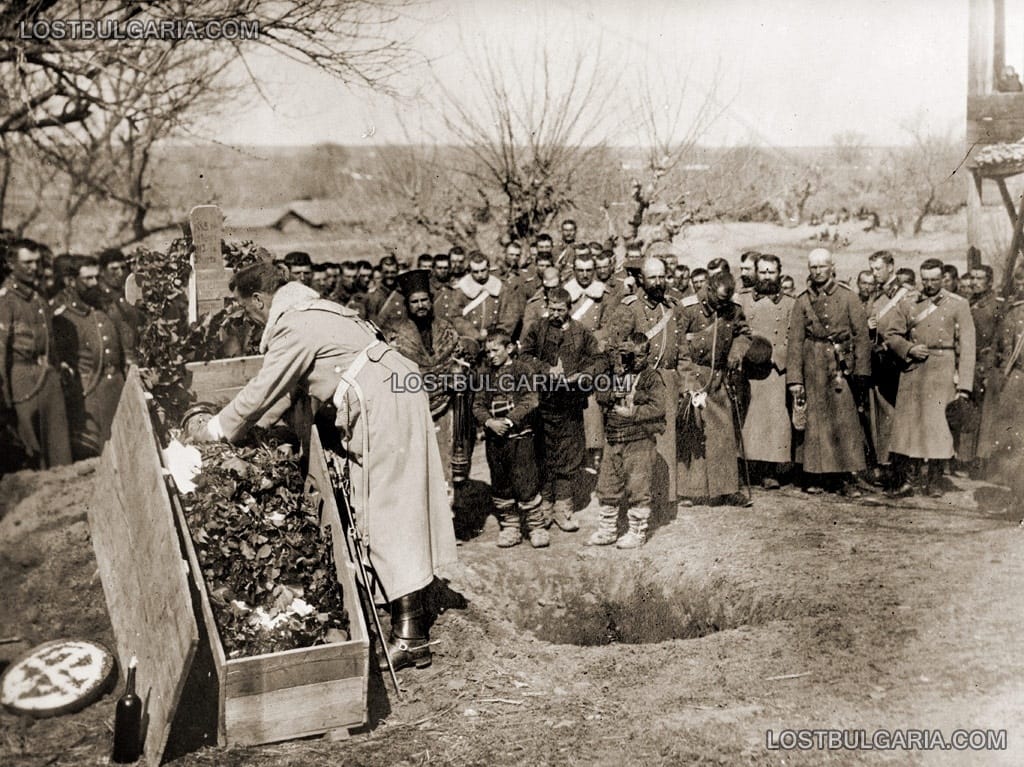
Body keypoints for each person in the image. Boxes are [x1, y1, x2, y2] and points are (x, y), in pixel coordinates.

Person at [192, 262, 457, 671]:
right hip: (394, 389)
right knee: (395, 502)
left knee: (389, 508)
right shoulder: (319, 311)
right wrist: (252, 431)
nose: (250, 319)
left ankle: (412, 637)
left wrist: (215, 429)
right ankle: (406, 608)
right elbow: (285, 393)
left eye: (248, 311)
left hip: (380, 401)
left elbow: (263, 388)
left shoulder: (293, 326)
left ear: (260, 300)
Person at [880, 259, 976, 497]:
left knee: (938, 427)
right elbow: (891, 335)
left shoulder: (958, 304)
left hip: (942, 369)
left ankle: (934, 480)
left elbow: (968, 346)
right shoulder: (908, 302)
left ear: (943, 278)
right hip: (913, 369)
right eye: (926, 279)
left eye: (935, 279)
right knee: (906, 427)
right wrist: (908, 349)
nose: (930, 284)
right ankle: (905, 481)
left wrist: (964, 386)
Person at [381, 269, 476, 493]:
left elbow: (460, 359)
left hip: (446, 409)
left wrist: (458, 372)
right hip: (411, 410)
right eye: (415, 301)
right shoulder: (395, 335)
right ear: (407, 304)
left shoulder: (446, 330)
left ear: (431, 301)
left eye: (425, 300)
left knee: (445, 465)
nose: (421, 305)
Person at [519, 287, 605, 532]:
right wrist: (545, 369)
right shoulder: (537, 328)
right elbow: (523, 356)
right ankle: (545, 505)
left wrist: (583, 375)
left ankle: (563, 507)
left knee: (569, 453)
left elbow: (600, 359)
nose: (555, 314)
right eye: (552, 309)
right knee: (544, 453)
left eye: (560, 310)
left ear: (569, 308)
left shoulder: (580, 332)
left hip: (570, 404)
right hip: (543, 402)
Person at [786, 248, 870, 496]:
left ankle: (845, 477)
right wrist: (794, 379)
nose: (818, 271)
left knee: (844, 421)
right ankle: (815, 475)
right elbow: (795, 342)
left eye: (822, 266)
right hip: (812, 366)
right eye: (813, 267)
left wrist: (861, 372)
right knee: (815, 424)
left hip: (839, 366)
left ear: (832, 267)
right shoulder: (802, 301)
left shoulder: (848, 297)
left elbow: (862, 337)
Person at [607, 257, 681, 504]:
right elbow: (616, 349)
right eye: (653, 277)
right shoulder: (629, 308)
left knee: (666, 441)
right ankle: (638, 497)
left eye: (662, 277)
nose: (659, 282)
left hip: (667, 382)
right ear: (641, 279)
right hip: (639, 384)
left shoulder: (670, 307)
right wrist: (622, 390)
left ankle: (664, 495)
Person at [676, 271, 752, 506]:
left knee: (723, 433)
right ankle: (690, 491)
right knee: (694, 432)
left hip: (719, 379)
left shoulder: (734, 308)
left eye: (726, 301)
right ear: (708, 289)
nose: (723, 305)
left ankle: (727, 489)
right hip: (694, 378)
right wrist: (688, 382)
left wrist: (736, 352)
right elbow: (679, 348)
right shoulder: (687, 308)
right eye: (719, 301)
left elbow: (744, 334)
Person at [0, 239, 72, 469]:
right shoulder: (6, 300)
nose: (34, 268)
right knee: (31, 454)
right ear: (11, 264)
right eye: (27, 263)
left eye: (37, 262)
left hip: (48, 377)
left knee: (59, 452)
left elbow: (51, 339)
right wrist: (5, 396)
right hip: (21, 379)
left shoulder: (37, 296)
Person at [590, 333, 666, 548]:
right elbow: (600, 394)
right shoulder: (614, 373)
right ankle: (607, 530)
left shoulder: (651, 377)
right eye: (629, 356)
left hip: (639, 440)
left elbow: (658, 407)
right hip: (614, 437)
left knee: (638, 487)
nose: (635, 361)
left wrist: (632, 413)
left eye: (640, 356)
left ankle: (637, 532)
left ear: (647, 355)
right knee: (607, 485)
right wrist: (612, 391)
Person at [472, 332, 547, 548]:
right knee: (501, 483)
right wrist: (489, 422)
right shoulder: (485, 374)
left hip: (520, 438)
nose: (491, 355)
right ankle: (511, 528)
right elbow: (477, 405)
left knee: (526, 481)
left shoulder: (522, 370)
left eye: (496, 350)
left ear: (510, 348)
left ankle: (536, 526)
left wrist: (509, 420)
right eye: (488, 352)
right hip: (495, 441)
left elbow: (530, 400)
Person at [52, 256, 127, 459]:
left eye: (96, 277)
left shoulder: (108, 309)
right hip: (90, 394)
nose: (94, 283)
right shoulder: (63, 318)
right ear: (71, 281)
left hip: (118, 389)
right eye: (87, 279)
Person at [739, 254, 796, 489]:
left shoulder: (791, 303)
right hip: (747, 369)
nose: (766, 276)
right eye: (762, 271)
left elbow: (794, 337)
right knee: (749, 420)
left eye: (771, 272)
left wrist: (773, 356)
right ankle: (747, 470)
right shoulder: (742, 300)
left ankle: (770, 471)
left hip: (774, 371)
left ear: (779, 273)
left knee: (774, 421)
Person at [564, 253, 613, 474]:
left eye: (588, 270)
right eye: (580, 270)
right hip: (568, 356)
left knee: (592, 404)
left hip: (593, 355)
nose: (584, 275)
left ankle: (594, 451)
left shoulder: (604, 294)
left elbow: (609, 325)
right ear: (573, 270)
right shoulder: (566, 293)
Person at [966, 264, 1004, 475]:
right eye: (972, 278)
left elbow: (999, 338)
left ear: (989, 282)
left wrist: (990, 365)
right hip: (971, 363)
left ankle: (983, 461)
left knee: (987, 415)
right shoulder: (969, 302)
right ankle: (967, 458)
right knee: (972, 411)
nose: (974, 282)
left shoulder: (997, 304)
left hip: (987, 364)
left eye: (980, 278)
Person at [449, 252, 518, 342]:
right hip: (469, 340)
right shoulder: (461, 290)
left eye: (483, 270)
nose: (480, 275)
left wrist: (493, 334)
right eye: (476, 272)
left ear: (489, 268)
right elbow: (455, 316)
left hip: (495, 340)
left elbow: (509, 317)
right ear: (470, 271)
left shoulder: (501, 288)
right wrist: (474, 334)